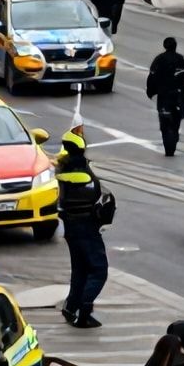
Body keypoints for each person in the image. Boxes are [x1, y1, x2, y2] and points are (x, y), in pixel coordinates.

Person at [57, 119, 108, 328]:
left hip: (71, 227)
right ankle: (83, 310)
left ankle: (71, 307)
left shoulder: (64, 167)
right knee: (98, 270)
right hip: (86, 227)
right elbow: (92, 194)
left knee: (80, 269)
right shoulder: (79, 173)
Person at [145, 37, 184, 157]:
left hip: (164, 96)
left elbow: (151, 76)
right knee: (176, 119)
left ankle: (169, 138)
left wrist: (151, 91)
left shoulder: (159, 59)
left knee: (164, 120)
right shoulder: (182, 61)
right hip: (178, 96)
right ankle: (173, 136)